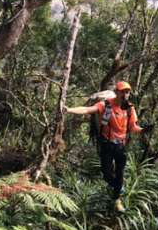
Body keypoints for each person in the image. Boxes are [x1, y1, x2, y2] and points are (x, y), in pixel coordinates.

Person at [64, 81, 150, 212]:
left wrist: (143, 130)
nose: (126, 94)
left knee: (120, 173)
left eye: (127, 92)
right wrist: (68, 110)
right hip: (107, 144)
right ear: (117, 92)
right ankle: (118, 187)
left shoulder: (129, 108)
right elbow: (87, 110)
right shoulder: (106, 105)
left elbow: (132, 127)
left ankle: (117, 199)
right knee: (106, 173)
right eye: (123, 91)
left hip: (120, 145)